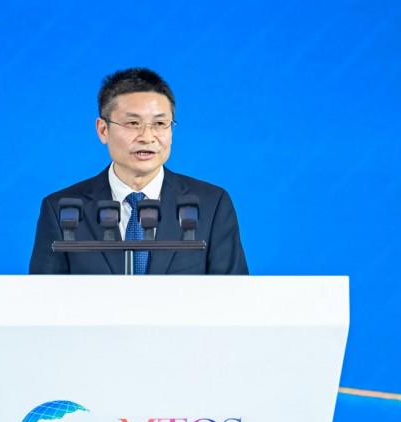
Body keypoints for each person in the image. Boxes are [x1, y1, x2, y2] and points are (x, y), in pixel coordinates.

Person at [29, 67, 248, 275]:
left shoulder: (211, 204)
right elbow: (42, 296)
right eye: (133, 123)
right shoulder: (63, 209)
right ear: (103, 130)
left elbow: (233, 294)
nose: (147, 137)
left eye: (160, 123)